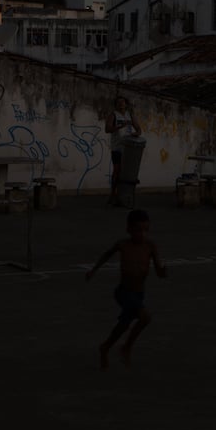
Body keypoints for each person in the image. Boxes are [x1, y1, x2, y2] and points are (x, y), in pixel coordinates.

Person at [86, 208, 167, 369]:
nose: (142, 234)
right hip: (123, 292)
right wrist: (94, 270)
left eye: (145, 230)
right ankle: (126, 347)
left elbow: (158, 271)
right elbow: (106, 255)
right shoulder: (123, 244)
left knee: (123, 325)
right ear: (128, 229)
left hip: (139, 294)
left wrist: (163, 271)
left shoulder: (150, 246)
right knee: (145, 317)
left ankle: (106, 347)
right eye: (138, 230)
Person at [105, 96, 142, 206]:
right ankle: (112, 194)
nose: (121, 104)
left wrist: (136, 133)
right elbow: (107, 129)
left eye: (123, 102)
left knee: (128, 172)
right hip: (117, 147)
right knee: (116, 170)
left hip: (129, 148)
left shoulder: (130, 115)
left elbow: (139, 129)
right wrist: (120, 126)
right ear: (115, 105)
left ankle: (125, 195)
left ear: (126, 104)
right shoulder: (113, 115)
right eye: (118, 102)